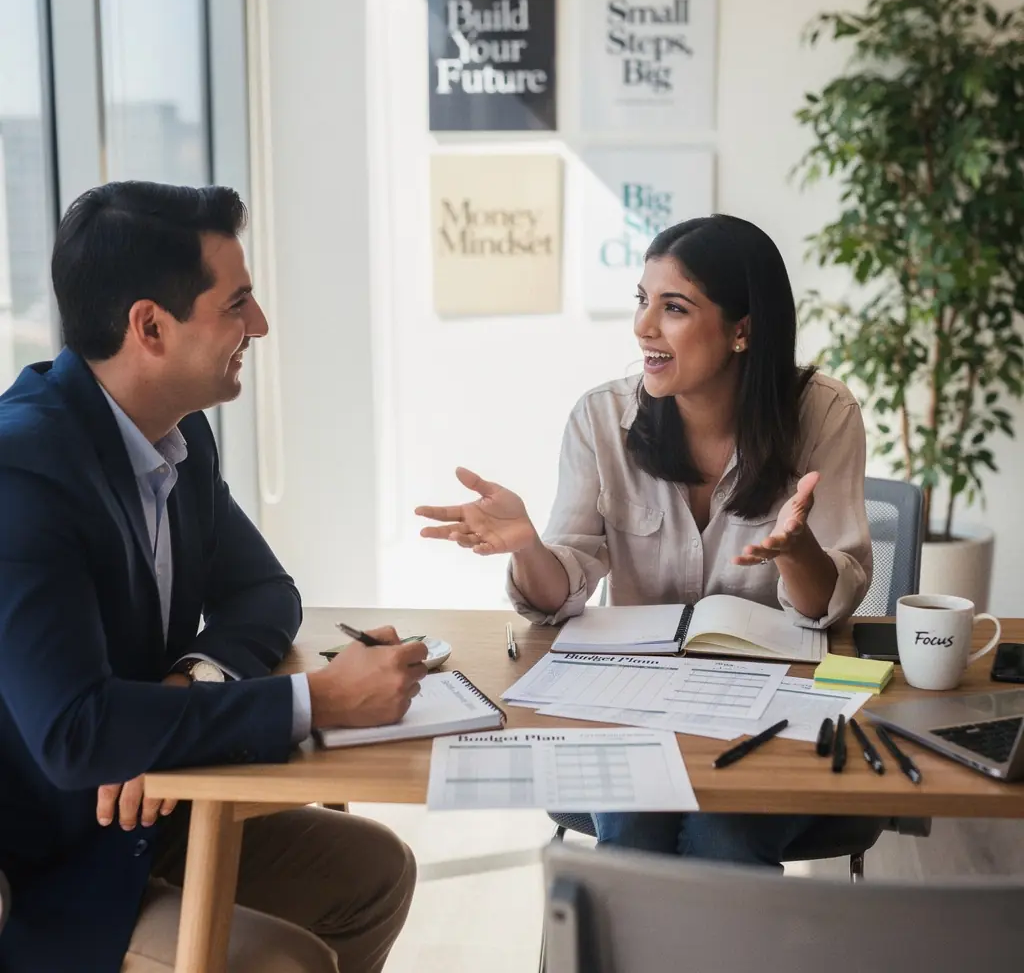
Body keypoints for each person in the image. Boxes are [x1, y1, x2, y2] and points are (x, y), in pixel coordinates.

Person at [0, 182, 427, 972]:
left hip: (143, 818)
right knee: (283, 962)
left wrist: (191, 679)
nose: (258, 326)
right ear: (150, 327)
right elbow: (74, 734)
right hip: (45, 875)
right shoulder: (21, 469)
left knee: (375, 873)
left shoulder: (175, 435)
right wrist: (319, 699)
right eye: (237, 304)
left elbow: (267, 593)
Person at [416, 214, 873, 867]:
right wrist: (528, 548)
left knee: (726, 839)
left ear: (742, 330)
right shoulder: (600, 419)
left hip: (772, 713)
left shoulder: (824, 415)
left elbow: (827, 605)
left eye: (674, 307)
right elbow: (558, 594)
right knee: (633, 837)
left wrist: (798, 551)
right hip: (629, 707)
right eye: (642, 301)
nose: (643, 326)